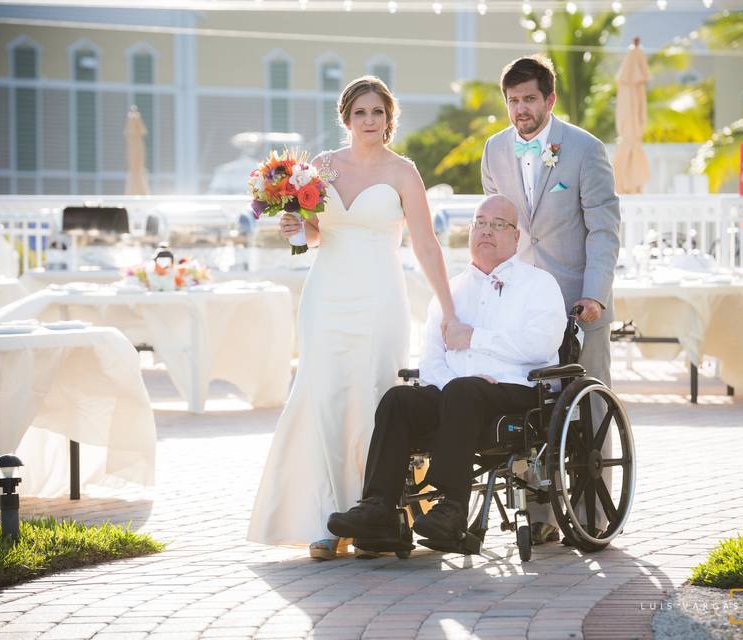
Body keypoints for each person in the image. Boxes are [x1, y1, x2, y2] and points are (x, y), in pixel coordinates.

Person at [247, 76, 457, 560]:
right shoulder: (321, 168)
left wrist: (448, 310)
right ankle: (325, 522)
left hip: (381, 298)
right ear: (346, 119)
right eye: (360, 113)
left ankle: (376, 516)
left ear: (389, 119)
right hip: (327, 298)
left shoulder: (404, 173)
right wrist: (296, 227)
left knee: (372, 400)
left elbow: (425, 243)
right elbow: (317, 234)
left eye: (378, 113)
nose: (369, 121)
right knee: (322, 398)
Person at [326, 195, 566, 547]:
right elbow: (432, 358)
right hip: (455, 393)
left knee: (464, 392)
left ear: (517, 238)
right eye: (480, 223)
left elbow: (541, 345)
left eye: (499, 225)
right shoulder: (450, 290)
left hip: (516, 391)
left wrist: (475, 338)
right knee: (398, 400)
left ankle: (452, 508)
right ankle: (379, 509)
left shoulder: (538, 284)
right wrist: (453, 382)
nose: (487, 231)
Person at [480, 55, 621, 544]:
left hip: (578, 303)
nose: (520, 109)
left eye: (529, 99)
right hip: (520, 305)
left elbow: (604, 230)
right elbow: (498, 229)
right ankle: (538, 520)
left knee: (587, 414)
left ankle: (592, 515)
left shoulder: (585, 149)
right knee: (529, 407)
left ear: (550, 99)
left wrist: (594, 295)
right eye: (513, 101)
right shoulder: (494, 150)